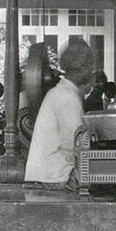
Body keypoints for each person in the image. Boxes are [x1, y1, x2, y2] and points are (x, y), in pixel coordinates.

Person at [24, 38, 93, 191]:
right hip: (56, 175)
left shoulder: (60, 91)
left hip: (47, 172)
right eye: (89, 65)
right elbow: (75, 144)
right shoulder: (67, 97)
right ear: (83, 68)